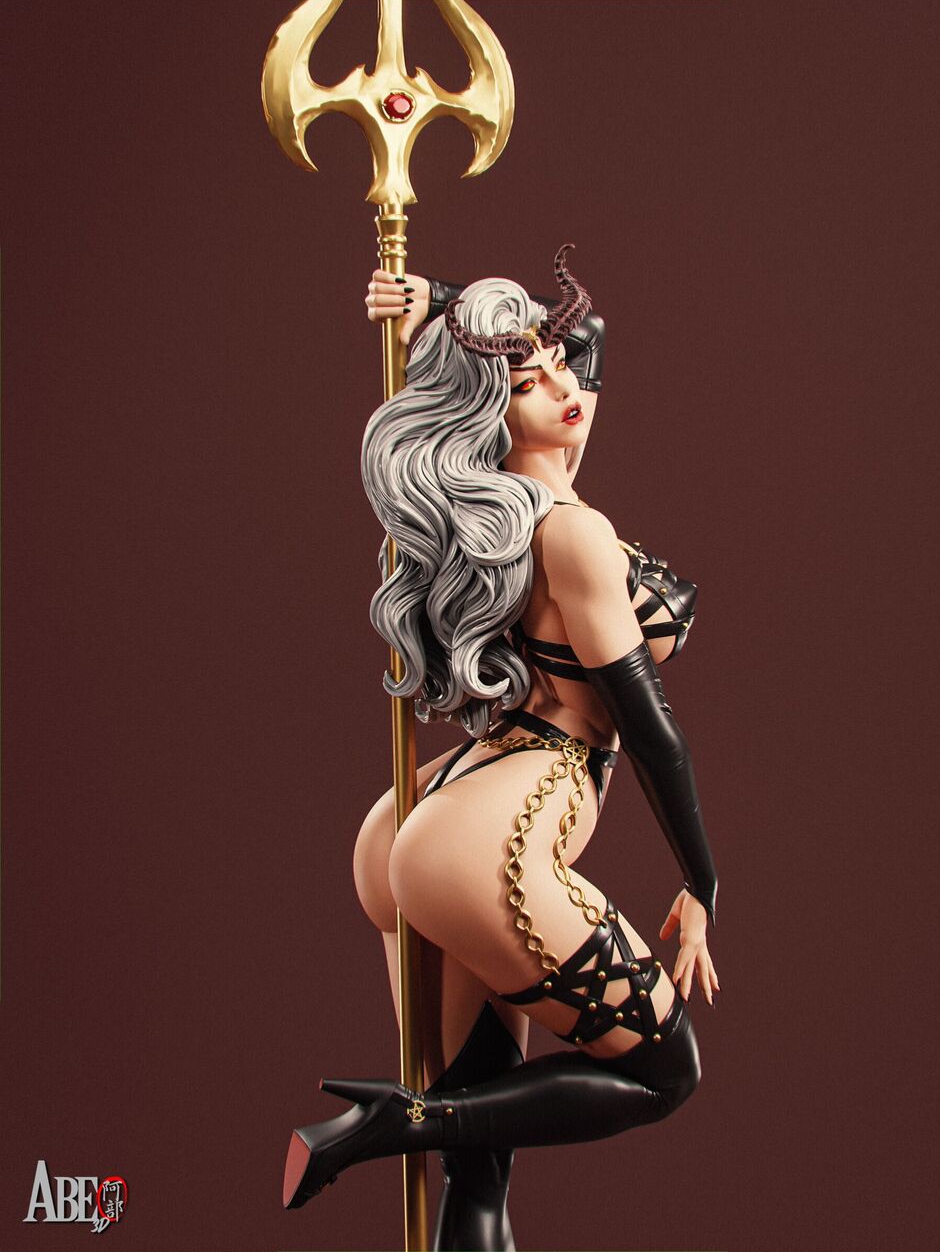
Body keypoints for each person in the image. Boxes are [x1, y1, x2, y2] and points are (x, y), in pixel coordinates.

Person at [282, 248, 721, 1250]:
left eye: (559, 367)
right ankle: (397, 1121)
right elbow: (651, 733)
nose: (568, 385)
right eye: (527, 382)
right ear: (487, 409)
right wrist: (701, 881)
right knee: (666, 1073)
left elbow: (585, 333)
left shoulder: (501, 517)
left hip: (427, 814)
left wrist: (437, 302)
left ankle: (422, 1127)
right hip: (502, 823)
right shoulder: (573, 534)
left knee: (478, 1181)